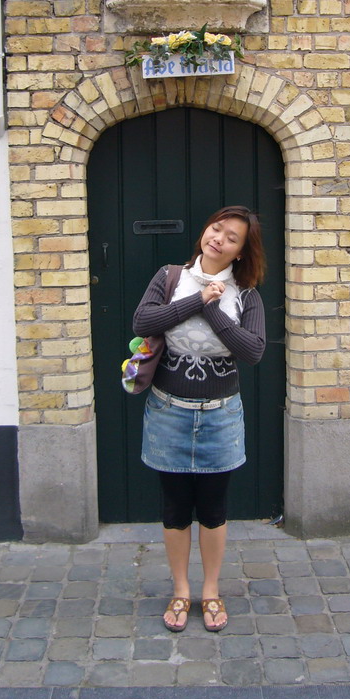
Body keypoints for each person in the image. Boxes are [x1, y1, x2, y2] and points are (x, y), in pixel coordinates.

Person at [132, 205, 266, 632]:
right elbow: (143, 319)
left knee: (212, 508)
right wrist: (197, 297)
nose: (219, 239)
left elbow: (253, 350)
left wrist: (212, 306)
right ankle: (180, 591)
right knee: (174, 507)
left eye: (232, 238)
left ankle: (210, 591)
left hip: (220, 416)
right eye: (216, 229)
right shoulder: (170, 276)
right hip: (168, 411)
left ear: (242, 252)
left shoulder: (246, 295)